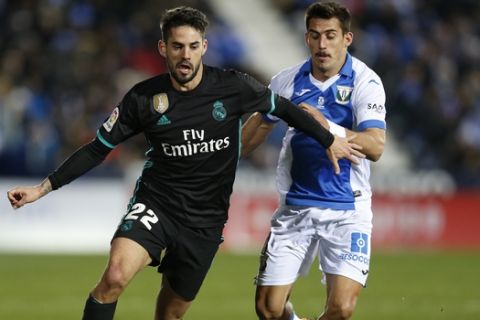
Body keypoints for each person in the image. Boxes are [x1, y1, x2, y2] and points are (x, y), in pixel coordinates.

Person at [6, 6, 364, 320]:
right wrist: (43, 188)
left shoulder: (232, 87)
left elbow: (283, 108)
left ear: (204, 47)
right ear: (164, 48)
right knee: (115, 276)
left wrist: (329, 139)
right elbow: (97, 149)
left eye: (193, 46)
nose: (186, 55)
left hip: (204, 222)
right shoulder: (143, 98)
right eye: (177, 46)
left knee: (170, 313)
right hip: (156, 204)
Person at [241, 1, 387, 320]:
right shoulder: (286, 82)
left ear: (347, 38)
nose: (322, 44)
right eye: (315, 35)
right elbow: (252, 135)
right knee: (269, 309)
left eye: (331, 35)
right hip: (297, 206)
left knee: (342, 308)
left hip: (349, 209)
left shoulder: (366, 81)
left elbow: (375, 146)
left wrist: (327, 127)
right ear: (306, 37)